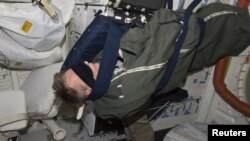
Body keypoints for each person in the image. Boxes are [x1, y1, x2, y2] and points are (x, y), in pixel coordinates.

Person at [53, 3, 250, 141]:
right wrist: (161, 18)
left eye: (80, 65)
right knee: (232, 21)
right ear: (87, 91)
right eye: (84, 73)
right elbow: (164, 44)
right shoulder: (127, 86)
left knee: (216, 48)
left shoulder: (101, 98)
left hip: (183, 63)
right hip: (188, 40)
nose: (87, 62)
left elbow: (129, 48)